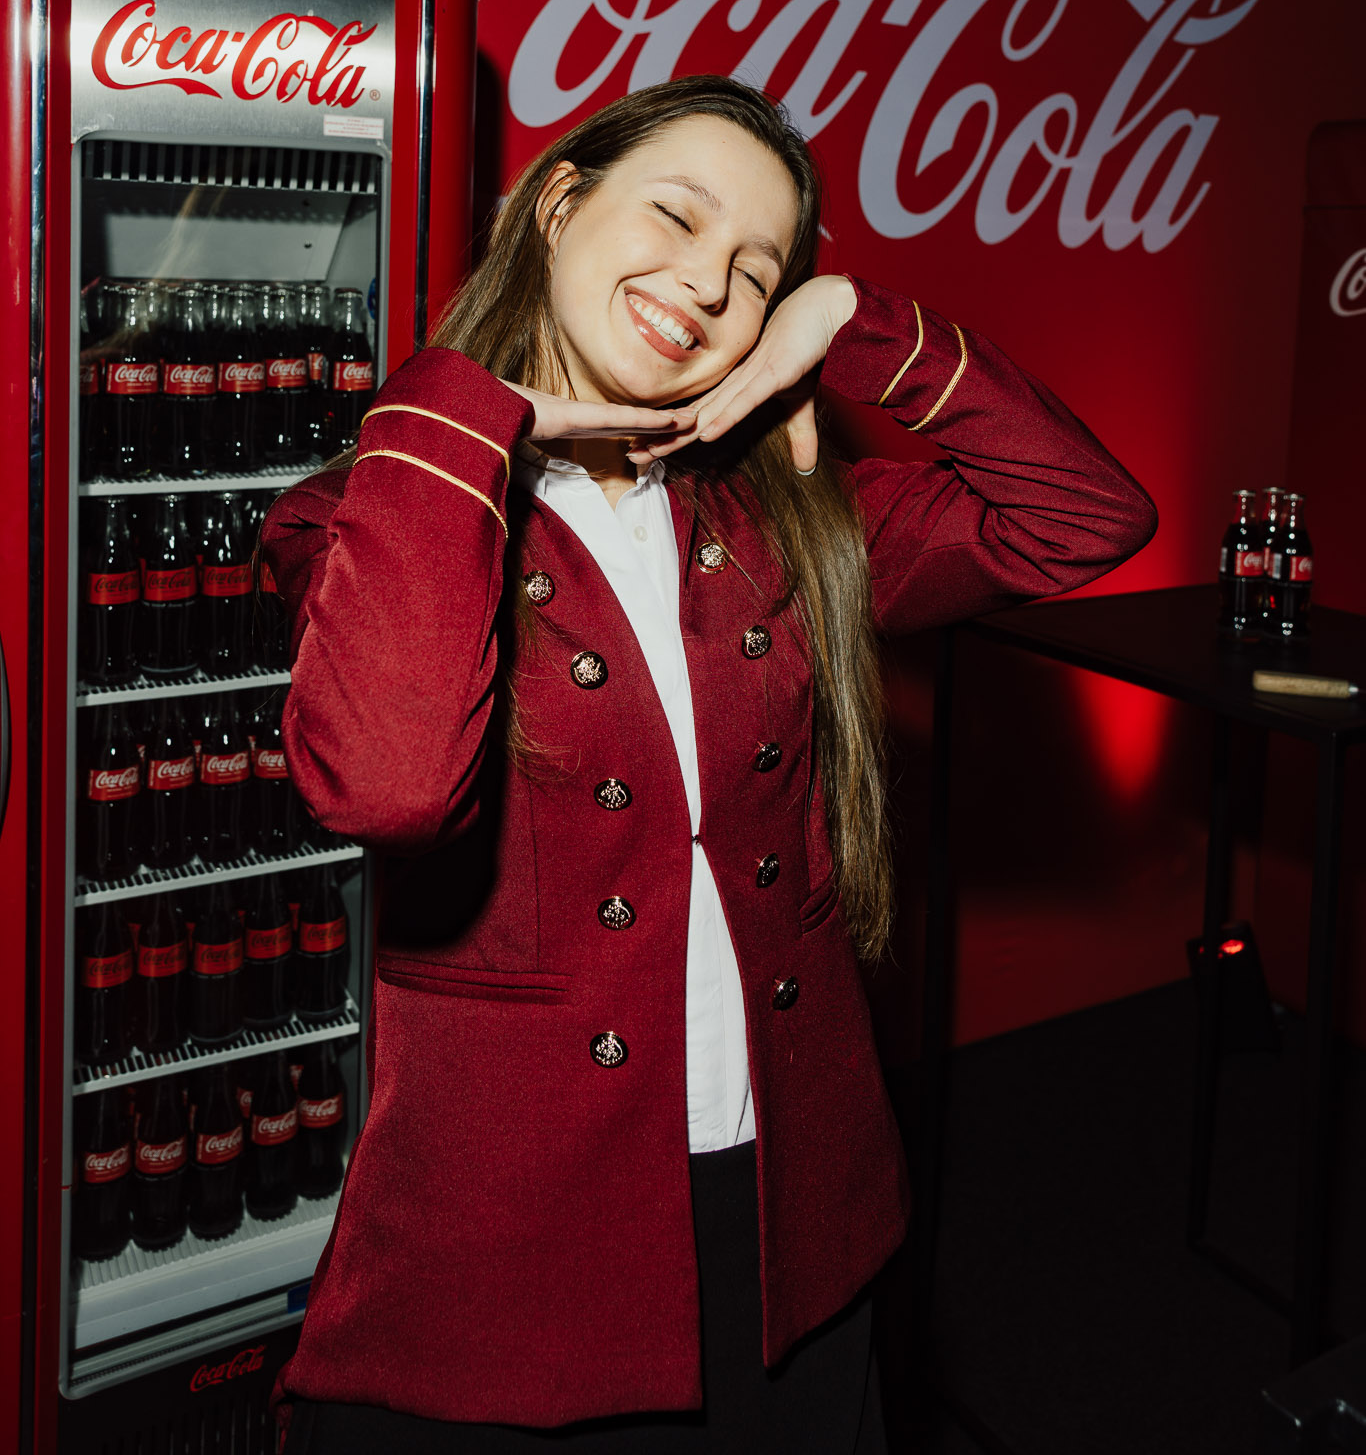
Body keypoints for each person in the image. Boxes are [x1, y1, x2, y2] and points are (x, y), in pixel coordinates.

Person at [265, 76, 1156, 1451]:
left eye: (754, 272)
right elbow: (387, 783)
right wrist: (461, 408)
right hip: (521, 1241)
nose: (706, 282)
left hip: (788, 1207)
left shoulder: (787, 524)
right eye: (673, 216)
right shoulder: (385, 504)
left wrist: (849, 326)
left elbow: (1079, 518)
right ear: (558, 206)